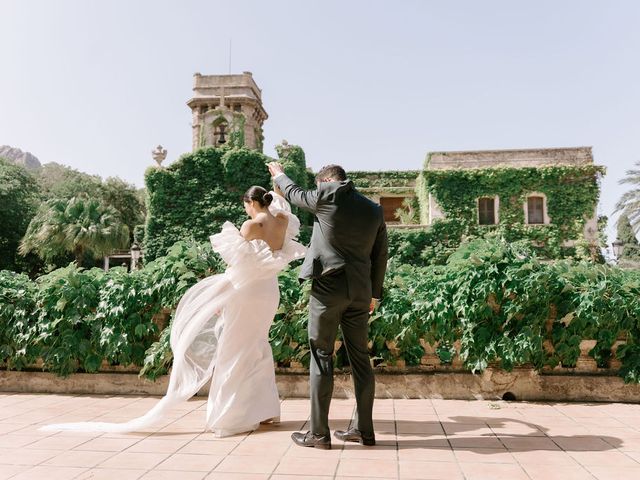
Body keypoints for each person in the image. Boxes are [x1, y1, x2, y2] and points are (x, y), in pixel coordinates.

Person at [41, 186, 305, 437]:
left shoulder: (250, 226)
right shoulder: (282, 221)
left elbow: (238, 267)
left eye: (246, 206)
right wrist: (278, 182)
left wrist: (219, 297)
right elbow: (281, 205)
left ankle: (232, 416)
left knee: (232, 350)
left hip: (245, 292)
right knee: (257, 345)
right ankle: (265, 410)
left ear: (250, 203)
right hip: (268, 292)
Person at [268, 162, 388, 450]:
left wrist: (278, 175)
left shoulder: (328, 194)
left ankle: (319, 434)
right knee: (360, 359)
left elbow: (295, 193)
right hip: (360, 291)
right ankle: (364, 431)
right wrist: (375, 294)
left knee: (321, 354)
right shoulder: (373, 209)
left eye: (318, 184)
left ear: (325, 181)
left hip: (329, 288)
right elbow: (380, 253)